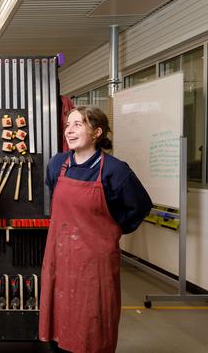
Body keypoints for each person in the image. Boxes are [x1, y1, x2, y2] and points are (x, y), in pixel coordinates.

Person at [39, 106, 153, 353]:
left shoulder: (114, 170)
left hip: (94, 264)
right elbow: (54, 193)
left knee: (92, 324)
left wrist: (110, 230)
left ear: (97, 132)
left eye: (78, 124)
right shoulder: (57, 164)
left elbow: (140, 206)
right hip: (59, 258)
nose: (70, 130)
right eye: (68, 125)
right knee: (60, 321)